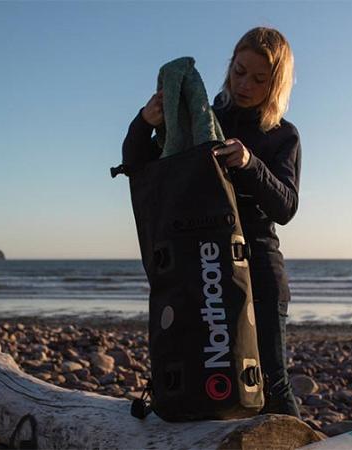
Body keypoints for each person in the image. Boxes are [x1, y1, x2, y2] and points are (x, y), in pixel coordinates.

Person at [122, 27, 302, 417]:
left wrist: (250, 163)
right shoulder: (203, 118)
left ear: (276, 84)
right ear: (230, 65)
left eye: (259, 79)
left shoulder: (282, 136)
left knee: (271, 383)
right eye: (239, 71)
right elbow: (140, 168)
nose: (245, 85)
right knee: (202, 375)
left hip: (259, 274)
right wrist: (144, 122)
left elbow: (286, 207)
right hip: (205, 266)